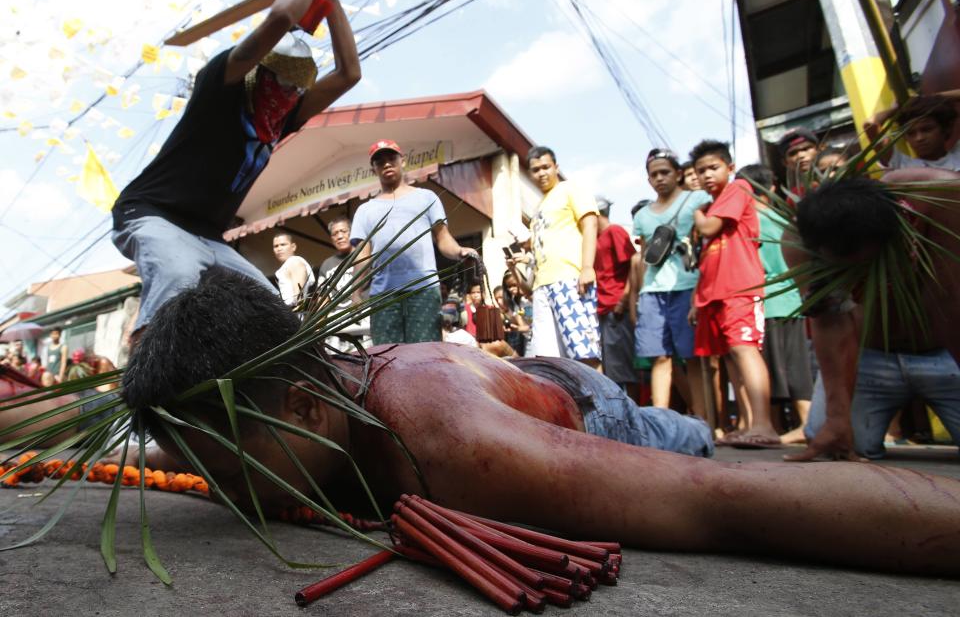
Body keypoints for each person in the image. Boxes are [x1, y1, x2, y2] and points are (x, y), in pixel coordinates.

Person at [102, 267, 960, 576]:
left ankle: (687, 418)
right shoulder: (284, 404)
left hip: (594, 410)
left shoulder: (451, 450)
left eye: (233, 470)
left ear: (300, 403)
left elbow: (723, 504)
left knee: (690, 447)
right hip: (516, 385)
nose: (224, 493)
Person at [110, 0, 360, 339]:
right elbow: (280, 19)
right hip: (152, 214)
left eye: (297, 90)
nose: (288, 95)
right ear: (261, 74)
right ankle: (145, 382)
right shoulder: (220, 87)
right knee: (176, 279)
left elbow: (349, 74)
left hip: (208, 236)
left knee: (271, 312)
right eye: (281, 84)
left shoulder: (279, 121)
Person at [782, 169, 960, 462]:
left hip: (945, 355)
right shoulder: (799, 239)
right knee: (830, 442)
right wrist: (837, 418)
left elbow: (952, 304)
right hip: (871, 356)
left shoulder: (943, 196)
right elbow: (830, 318)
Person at [689, 141, 778, 447]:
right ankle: (746, 423)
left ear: (729, 167)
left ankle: (764, 424)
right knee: (731, 360)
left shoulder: (738, 187)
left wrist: (699, 218)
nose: (706, 175)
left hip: (740, 287)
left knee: (744, 350)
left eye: (713, 168)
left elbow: (711, 227)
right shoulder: (714, 201)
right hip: (713, 292)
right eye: (701, 171)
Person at [350, 140, 478, 345]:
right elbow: (363, 255)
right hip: (383, 296)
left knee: (426, 357)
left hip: (424, 290)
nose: (386, 164)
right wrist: (355, 292)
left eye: (391, 158)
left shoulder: (426, 198)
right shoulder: (365, 210)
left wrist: (460, 252)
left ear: (403, 161)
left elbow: (443, 239)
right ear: (373, 169)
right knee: (387, 360)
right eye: (380, 161)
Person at [738, 164, 812, 444]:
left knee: (783, 368)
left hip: (770, 300)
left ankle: (805, 424)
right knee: (793, 366)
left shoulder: (752, 221)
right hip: (791, 298)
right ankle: (795, 425)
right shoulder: (784, 218)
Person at [633, 149, 709, 416]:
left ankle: (704, 421)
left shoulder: (697, 198)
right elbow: (644, 257)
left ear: (678, 173)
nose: (659, 178)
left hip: (688, 286)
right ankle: (661, 422)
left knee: (693, 358)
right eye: (653, 174)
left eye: (665, 172)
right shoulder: (642, 215)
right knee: (659, 358)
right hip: (652, 291)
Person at [524, 146, 601, 367]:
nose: (541, 173)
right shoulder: (539, 205)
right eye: (536, 169)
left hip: (570, 279)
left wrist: (587, 267)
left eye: (546, 167)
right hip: (541, 286)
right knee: (548, 359)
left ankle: (600, 401)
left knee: (585, 352)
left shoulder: (570, 189)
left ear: (556, 167)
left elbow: (590, 223)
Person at [593, 196, 636, 393]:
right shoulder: (595, 238)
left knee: (622, 365)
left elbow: (632, 267)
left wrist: (623, 300)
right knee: (610, 363)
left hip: (616, 306)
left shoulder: (615, 232)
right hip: (601, 306)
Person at [865, 92, 960, 171]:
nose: (919, 138)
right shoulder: (902, 165)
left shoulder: (957, 155)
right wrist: (895, 110)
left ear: (945, 128)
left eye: (926, 129)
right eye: (911, 133)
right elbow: (870, 125)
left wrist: (927, 99)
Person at [317, 215, 369, 351]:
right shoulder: (326, 265)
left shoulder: (364, 255)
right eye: (335, 233)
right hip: (337, 325)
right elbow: (322, 298)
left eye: (343, 231)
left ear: (352, 232)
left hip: (363, 321)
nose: (339, 236)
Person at [272, 231, 315, 307]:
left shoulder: (294, 262)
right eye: (276, 246)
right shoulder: (287, 265)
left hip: (294, 312)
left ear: (293, 247)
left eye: (283, 244)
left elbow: (299, 297)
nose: (279, 249)